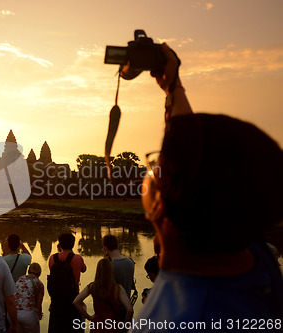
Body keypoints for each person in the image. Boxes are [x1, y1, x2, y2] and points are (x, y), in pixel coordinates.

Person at [130, 44, 283, 332]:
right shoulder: (248, 252)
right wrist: (173, 87)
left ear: (160, 205)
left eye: (156, 166)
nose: (151, 170)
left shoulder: (183, 321)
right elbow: (202, 163)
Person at [73, 258, 133, 332]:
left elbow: (76, 302)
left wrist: (89, 317)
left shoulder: (92, 287)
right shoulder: (118, 288)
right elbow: (129, 309)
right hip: (113, 326)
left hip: (97, 326)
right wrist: (124, 325)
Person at [47, 233, 86, 333]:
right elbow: (84, 269)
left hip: (56, 301)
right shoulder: (77, 258)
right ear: (73, 245)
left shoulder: (52, 258)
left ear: (59, 245)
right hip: (73, 300)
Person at [102, 234, 135, 299]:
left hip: (113, 306)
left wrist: (104, 263)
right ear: (118, 246)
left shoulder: (109, 266)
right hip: (127, 304)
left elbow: (103, 288)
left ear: (105, 248)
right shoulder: (131, 263)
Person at [15, 262, 44, 333]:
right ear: (39, 273)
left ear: (28, 271)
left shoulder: (20, 279)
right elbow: (38, 304)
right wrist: (39, 315)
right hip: (29, 315)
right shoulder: (39, 284)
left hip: (15, 314)